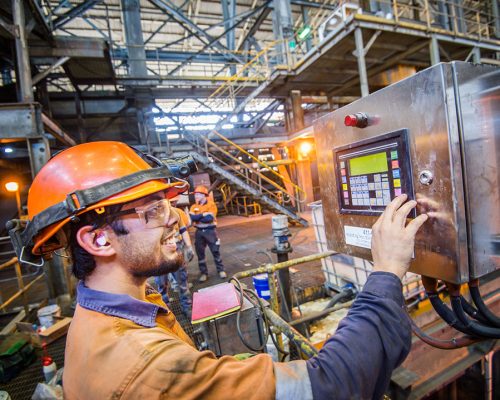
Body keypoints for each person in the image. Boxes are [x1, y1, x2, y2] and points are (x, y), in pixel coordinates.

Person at [20, 141, 428, 399]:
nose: (177, 219)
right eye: (155, 210)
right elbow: (333, 386)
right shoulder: (147, 367)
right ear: (99, 240)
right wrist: (387, 269)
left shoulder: (96, 319)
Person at [154, 200, 194, 319]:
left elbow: (183, 230)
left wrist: (189, 246)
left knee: (182, 283)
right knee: (161, 285)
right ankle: (166, 310)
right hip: (160, 253)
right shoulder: (153, 215)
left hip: (176, 248)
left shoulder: (176, 212)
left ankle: (187, 307)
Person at [189, 185, 226, 282]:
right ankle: (204, 273)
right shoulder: (194, 206)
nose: (196, 196)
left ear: (203, 195)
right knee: (200, 254)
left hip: (210, 232)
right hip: (199, 233)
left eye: (198, 194)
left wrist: (198, 217)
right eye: (195, 194)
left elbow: (209, 219)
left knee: (215, 251)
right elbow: (192, 218)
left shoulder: (211, 205)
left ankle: (221, 270)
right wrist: (203, 214)